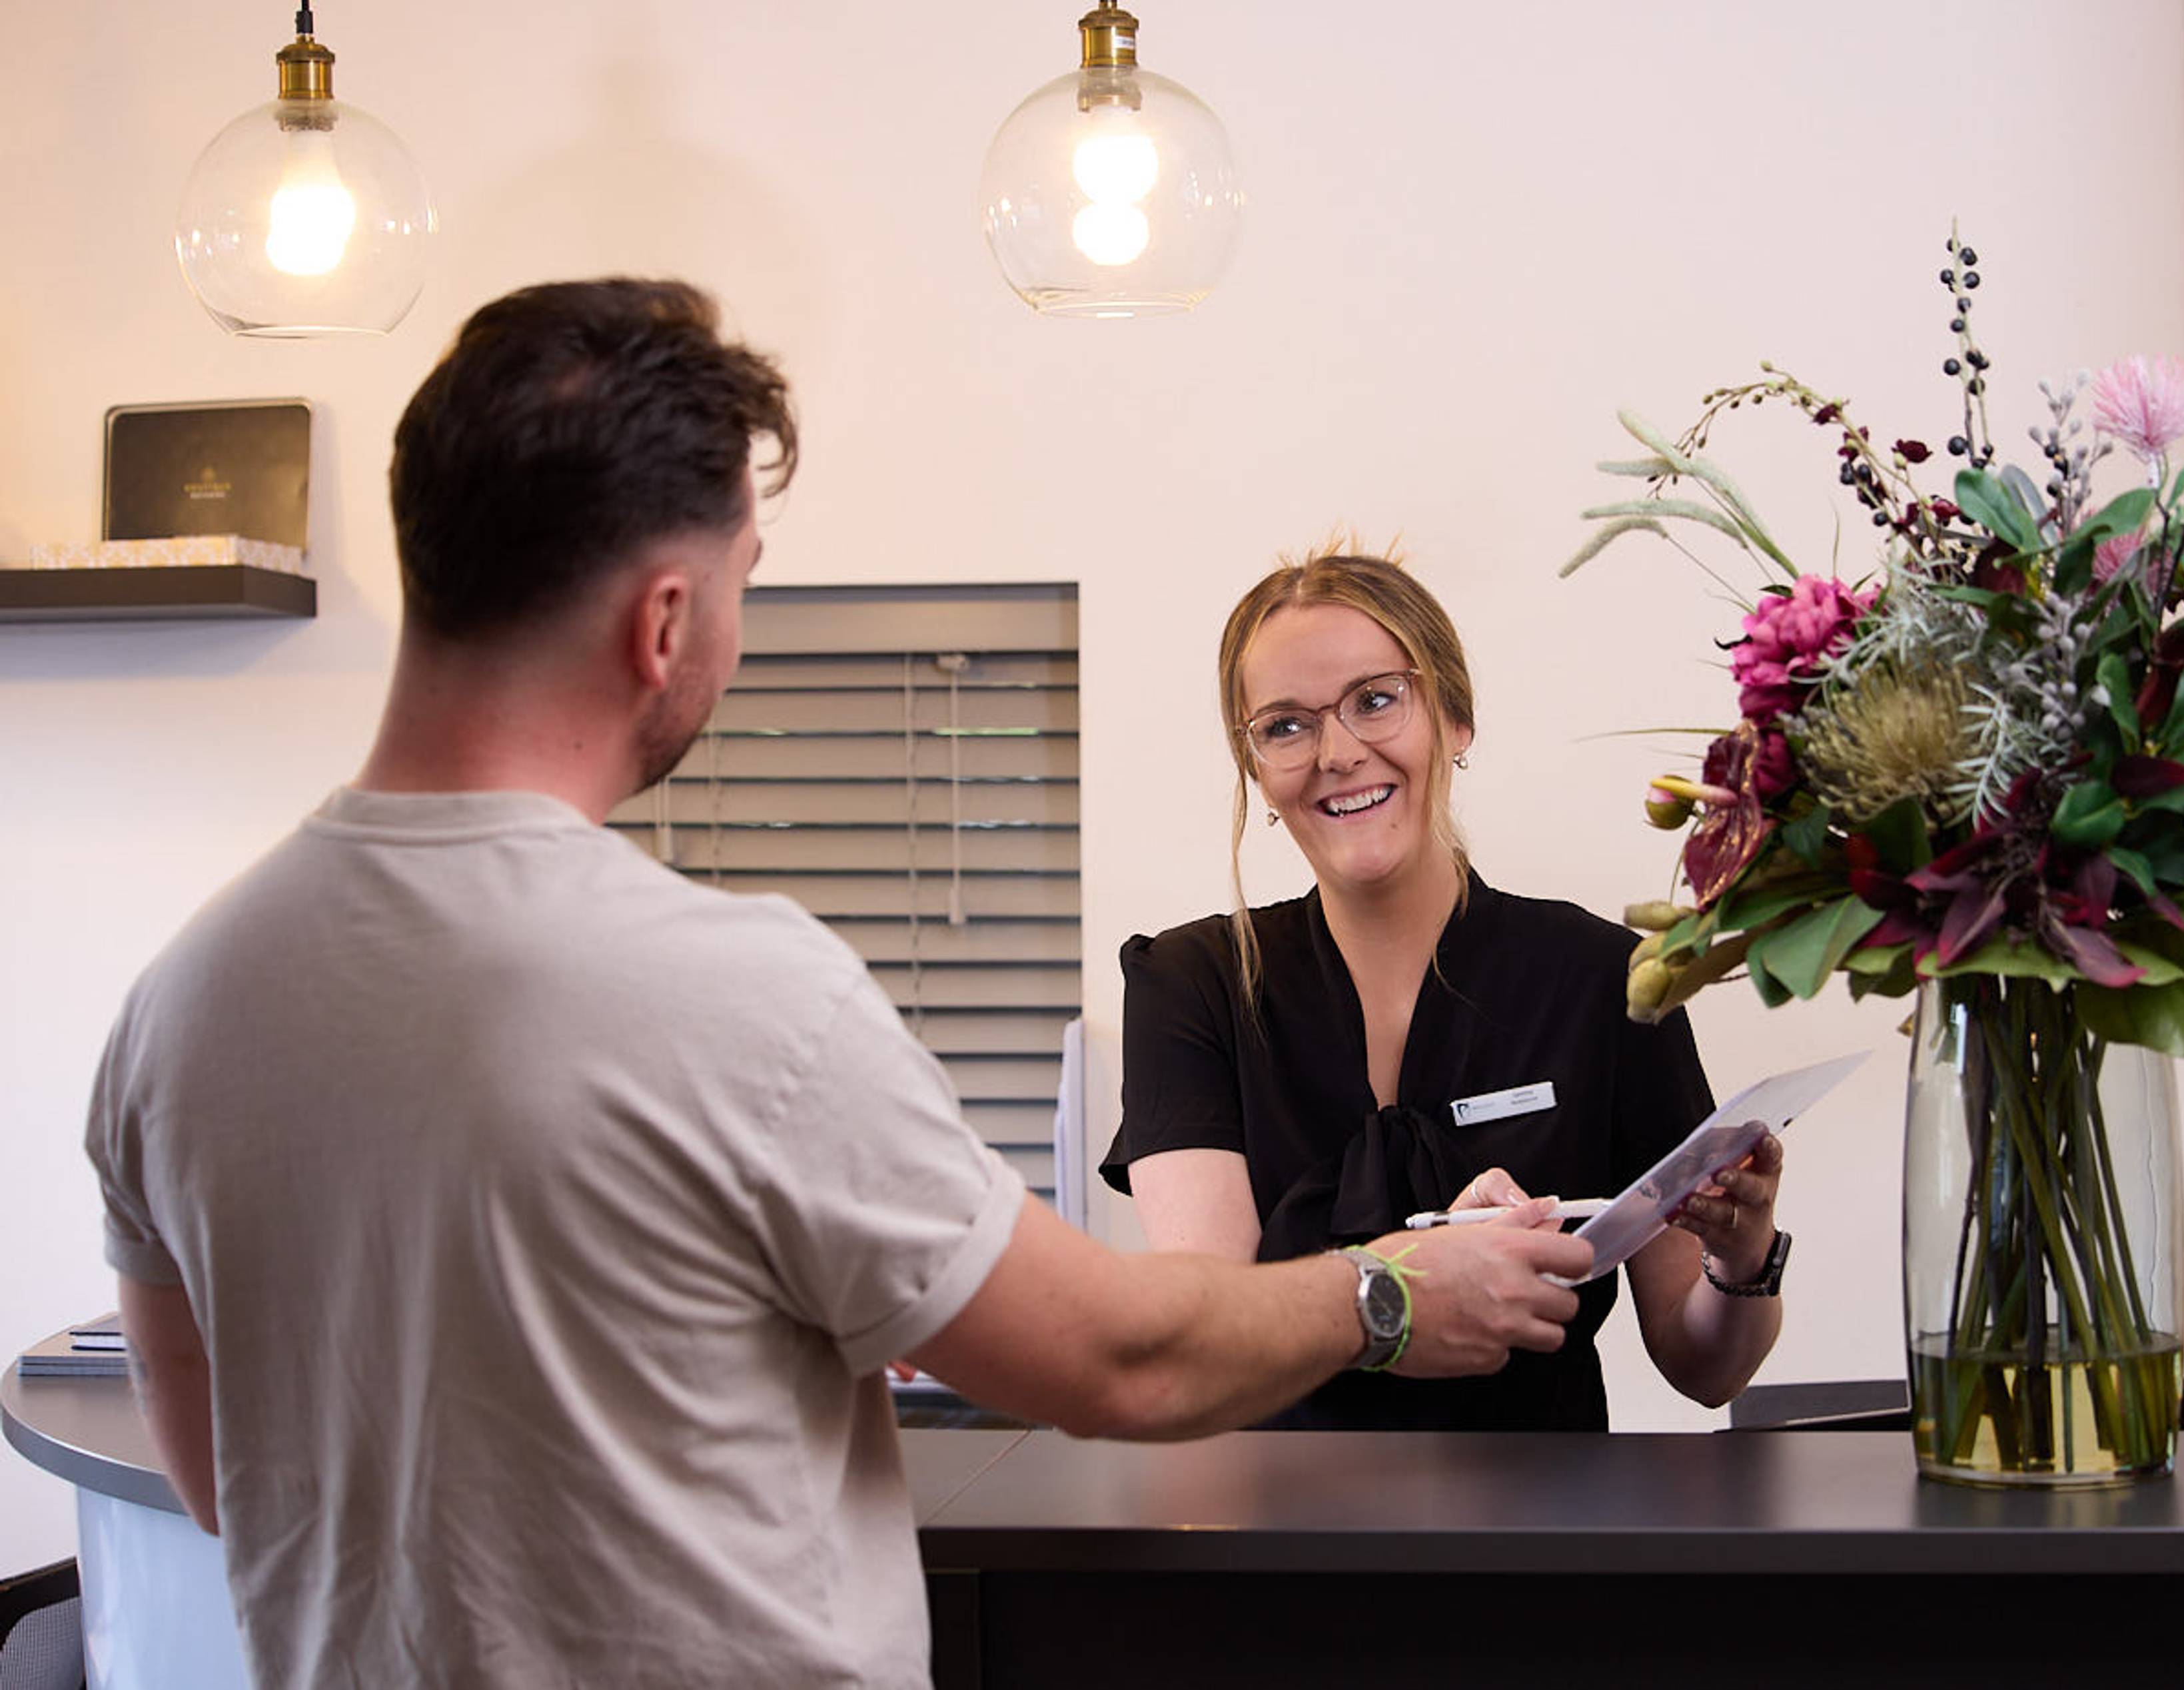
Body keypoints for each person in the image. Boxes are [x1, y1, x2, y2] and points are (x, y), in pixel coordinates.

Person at [83, 281, 1592, 1690]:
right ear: (663, 621)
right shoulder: (740, 999)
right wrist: (1395, 1291)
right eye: (743, 584)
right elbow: (1117, 1356)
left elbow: (228, 1477)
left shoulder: (180, 1007)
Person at [1099, 548, 1788, 1431]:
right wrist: (1402, 1288)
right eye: (1285, 726)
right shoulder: (1188, 985)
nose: (1338, 753)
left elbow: (1704, 1367)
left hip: (1542, 1545)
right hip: (1272, 1542)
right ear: (1256, 769)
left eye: (1376, 700)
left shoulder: (1606, 981)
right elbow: (1209, 1335)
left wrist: (1743, 1253)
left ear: (1454, 718)